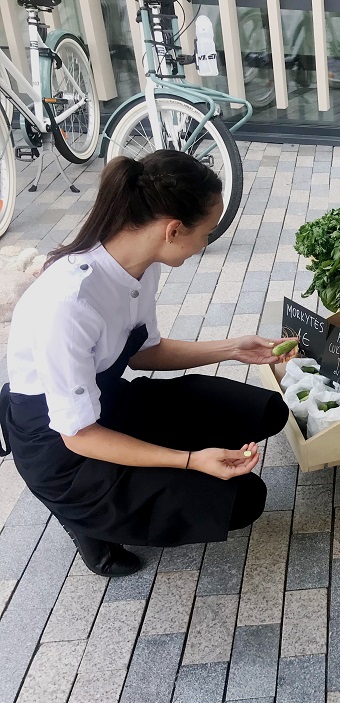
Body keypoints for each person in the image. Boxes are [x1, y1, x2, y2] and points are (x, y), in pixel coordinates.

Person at [0, 151, 295, 577]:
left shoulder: (141, 264)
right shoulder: (68, 302)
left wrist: (234, 348)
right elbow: (79, 437)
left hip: (109, 402)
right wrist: (191, 460)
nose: (206, 243)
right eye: (207, 232)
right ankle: (81, 516)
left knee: (267, 411)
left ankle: (122, 497)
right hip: (63, 451)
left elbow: (142, 352)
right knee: (243, 499)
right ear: (173, 230)